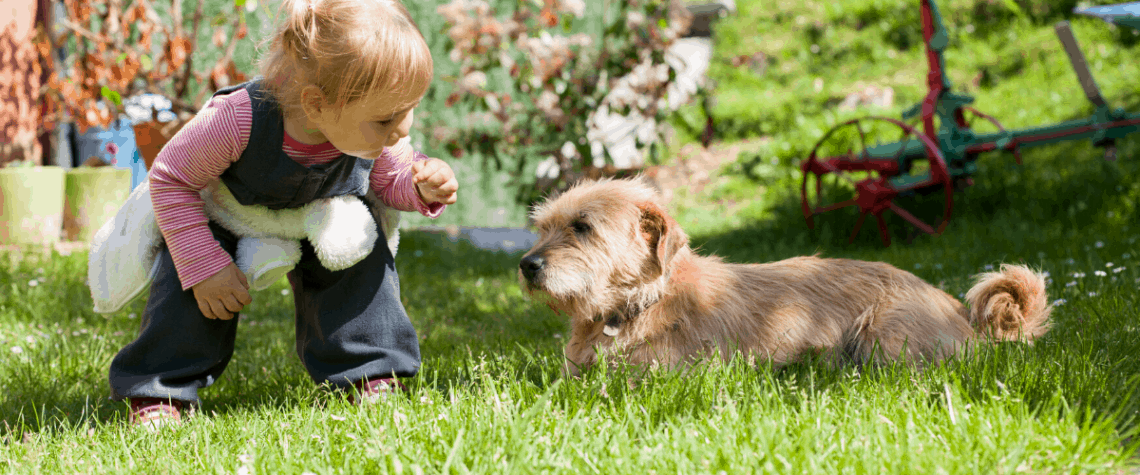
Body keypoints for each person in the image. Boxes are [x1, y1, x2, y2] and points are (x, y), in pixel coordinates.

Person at [107, 0, 458, 427]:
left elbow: (388, 180)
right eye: (387, 118)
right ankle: (159, 390)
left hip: (317, 215)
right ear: (317, 106)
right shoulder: (237, 120)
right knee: (191, 286)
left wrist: (420, 187)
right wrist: (202, 264)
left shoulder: (369, 132)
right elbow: (171, 178)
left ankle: (372, 374)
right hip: (232, 215)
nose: (403, 129)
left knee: (358, 249)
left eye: (409, 109)